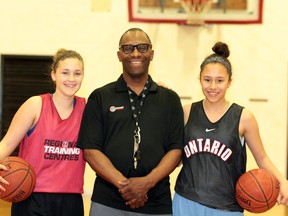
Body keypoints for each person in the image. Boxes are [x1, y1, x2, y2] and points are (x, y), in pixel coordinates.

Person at [77, 27, 184, 216]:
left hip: (157, 203)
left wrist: (147, 183)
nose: (135, 53)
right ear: (119, 55)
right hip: (107, 201)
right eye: (128, 48)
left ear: (151, 53)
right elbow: (91, 151)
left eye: (142, 48)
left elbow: (175, 151)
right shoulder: (100, 97)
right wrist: (126, 186)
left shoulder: (170, 99)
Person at [173, 42, 288, 216]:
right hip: (186, 200)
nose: (212, 87)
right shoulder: (187, 112)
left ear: (229, 82)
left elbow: (262, 158)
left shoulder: (244, 117)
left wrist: (283, 181)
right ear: (200, 79)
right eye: (207, 80)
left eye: (220, 81)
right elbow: (176, 156)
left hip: (226, 206)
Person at [0, 48, 86, 216]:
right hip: (32, 198)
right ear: (53, 75)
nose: (71, 79)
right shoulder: (35, 105)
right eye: (65, 73)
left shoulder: (88, 108)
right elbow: (7, 143)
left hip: (71, 201)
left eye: (77, 73)